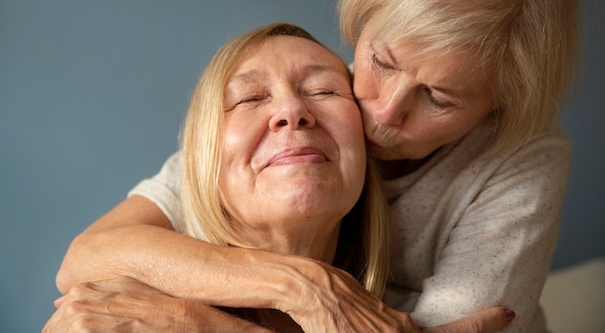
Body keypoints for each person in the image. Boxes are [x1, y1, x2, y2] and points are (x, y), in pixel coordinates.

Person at [51, 0, 579, 332]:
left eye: (438, 98)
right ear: (363, 19)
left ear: (496, 106)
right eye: (381, 62)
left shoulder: (519, 157)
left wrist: (196, 325)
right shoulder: (283, 124)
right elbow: (89, 255)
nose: (383, 110)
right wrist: (303, 285)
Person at [44, 23, 514, 333]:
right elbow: (81, 259)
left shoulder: (398, 318)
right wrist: (303, 285)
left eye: (324, 90)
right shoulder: (121, 316)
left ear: (368, 142)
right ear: (203, 164)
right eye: (249, 99)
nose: (292, 111)